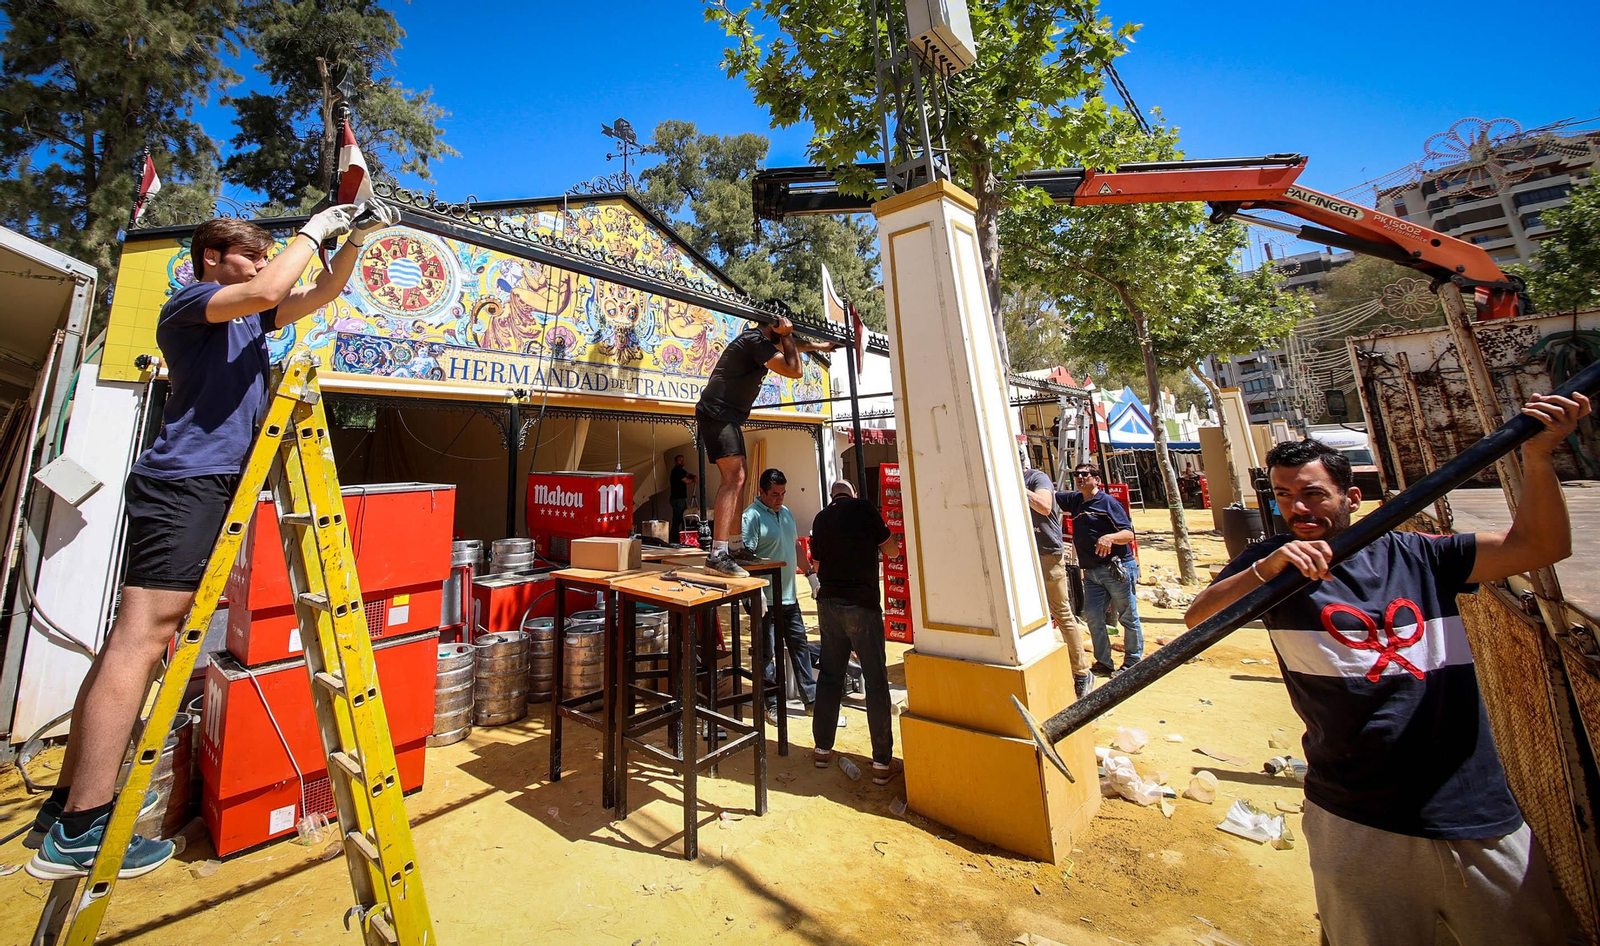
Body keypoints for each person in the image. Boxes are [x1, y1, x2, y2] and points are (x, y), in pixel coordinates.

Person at [26, 202, 397, 881]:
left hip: (199, 483)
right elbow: (270, 287)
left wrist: (354, 241)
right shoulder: (192, 303)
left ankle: (64, 807)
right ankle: (81, 827)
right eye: (249, 255)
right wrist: (315, 227)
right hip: (186, 483)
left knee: (129, 642)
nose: (260, 266)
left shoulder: (246, 319)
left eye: (263, 256)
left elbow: (320, 292)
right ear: (211, 259)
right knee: (142, 639)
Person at [1183, 390, 1590, 946]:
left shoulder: (1420, 555)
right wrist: (1265, 570)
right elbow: (1198, 619)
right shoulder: (1272, 569)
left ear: (1351, 497)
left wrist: (1539, 457)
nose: (1298, 509)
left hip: (1473, 811)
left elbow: (1541, 546)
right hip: (1353, 818)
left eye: (1313, 494)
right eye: (1284, 496)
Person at [695, 317, 834, 577]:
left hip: (726, 415)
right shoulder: (754, 340)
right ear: (775, 325)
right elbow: (794, 369)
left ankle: (735, 547)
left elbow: (793, 346)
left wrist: (819, 346)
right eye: (784, 329)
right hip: (717, 412)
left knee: (741, 478)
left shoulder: (761, 341)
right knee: (734, 477)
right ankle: (717, 555)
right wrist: (787, 335)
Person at [809, 481, 902, 784]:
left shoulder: (821, 517)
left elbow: (817, 564)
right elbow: (892, 550)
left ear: (833, 496)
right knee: (875, 681)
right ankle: (881, 762)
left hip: (829, 605)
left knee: (830, 677)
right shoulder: (865, 509)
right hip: (862, 604)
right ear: (853, 494)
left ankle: (822, 749)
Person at [741, 468, 817, 722]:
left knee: (800, 646)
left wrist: (811, 575)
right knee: (766, 653)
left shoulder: (786, 513)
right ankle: (771, 704)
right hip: (764, 598)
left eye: (783, 493)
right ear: (761, 492)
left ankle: (812, 700)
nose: (780, 498)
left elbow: (795, 546)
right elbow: (745, 557)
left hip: (788, 596)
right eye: (774, 494)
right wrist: (754, 589)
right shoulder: (751, 517)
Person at [1057, 464, 1142, 675]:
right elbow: (1048, 496)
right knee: (1094, 617)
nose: (1079, 477)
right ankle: (1104, 662)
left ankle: (1133, 662)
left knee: (1127, 616)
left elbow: (1128, 534)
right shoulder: (1075, 500)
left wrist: (1110, 538)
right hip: (1092, 573)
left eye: (1085, 474)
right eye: (1076, 474)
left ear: (1096, 479)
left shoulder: (1108, 502)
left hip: (1116, 569)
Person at [1023, 462, 1093, 698]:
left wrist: (1016, 485)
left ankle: (1081, 672)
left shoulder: (1036, 478)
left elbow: (1044, 506)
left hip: (1047, 553)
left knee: (1061, 611)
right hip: (1023, 553)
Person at [668, 453, 696, 543]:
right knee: (678, 519)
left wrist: (693, 477)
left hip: (681, 498)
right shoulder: (676, 471)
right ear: (675, 462)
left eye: (683, 460)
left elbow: (687, 474)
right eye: (680, 460)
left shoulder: (681, 470)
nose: (682, 462)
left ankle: (679, 538)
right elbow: (687, 480)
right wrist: (694, 480)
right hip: (677, 499)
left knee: (681, 518)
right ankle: (674, 539)